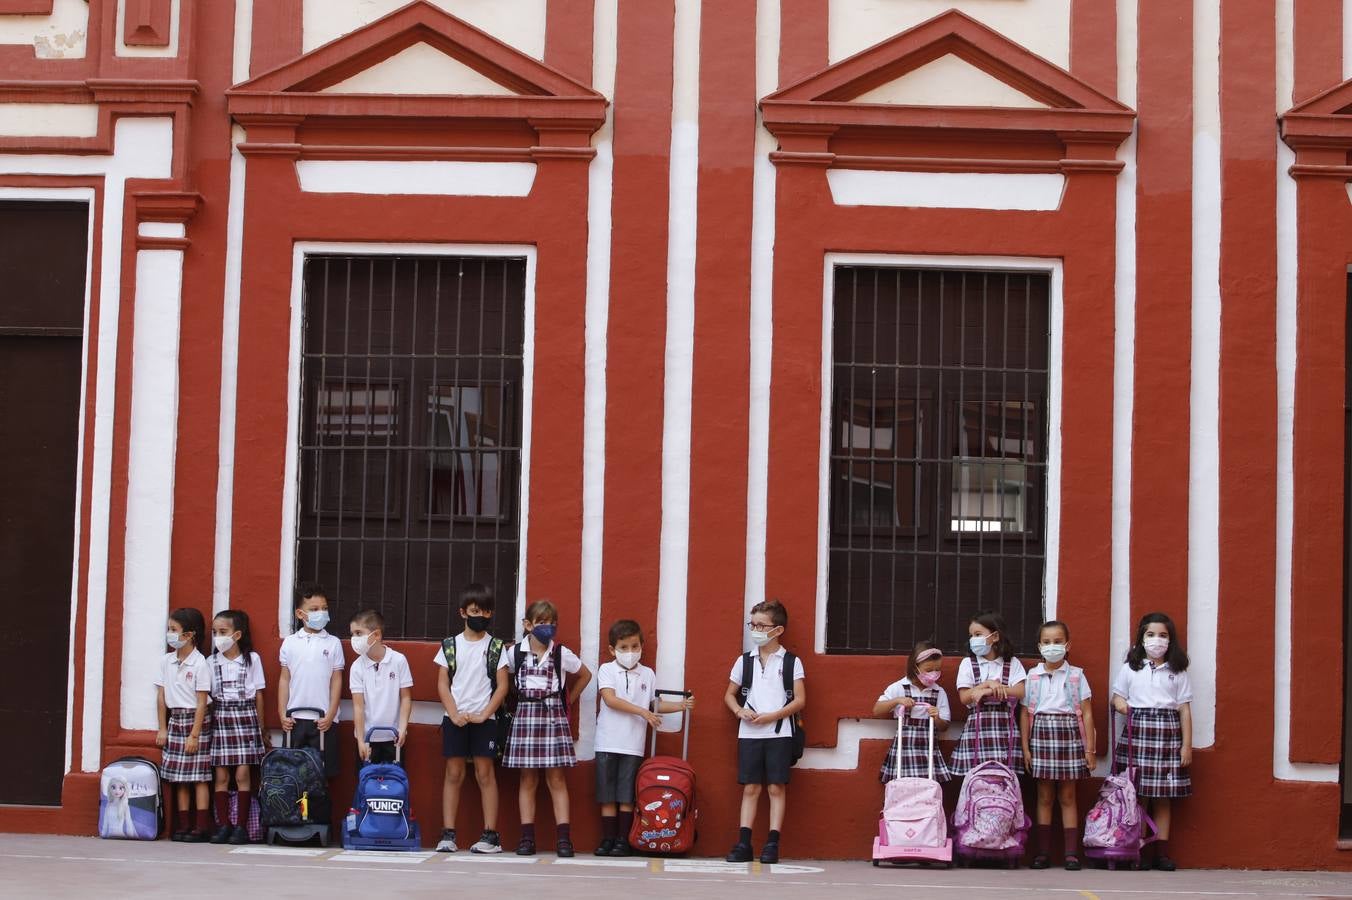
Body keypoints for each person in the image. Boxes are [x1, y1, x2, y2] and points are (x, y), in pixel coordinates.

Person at [593, 619, 695, 856]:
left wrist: (682, 705)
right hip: (607, 741)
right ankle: (607, 839)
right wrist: (643, 712)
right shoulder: (607, 670)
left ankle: (623, 840)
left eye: (635, 646)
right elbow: (610, 699)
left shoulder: (647, 674)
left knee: (627, 795)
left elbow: (653, 704)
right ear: (612, 650)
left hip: (633, 745)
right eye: (624, 648)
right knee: (607, 795)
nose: (630, 652)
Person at [502, 599, 592, 857]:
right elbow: (503, 678)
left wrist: (568, 700)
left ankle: (564, 839)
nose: (547, 627)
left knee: (556, 778)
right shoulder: (515, 653)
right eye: (541, 622)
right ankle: (527, 838)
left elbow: (585, 675)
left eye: (552, 622)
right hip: (526, 716)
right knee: (527, 779)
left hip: (553, 716)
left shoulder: (561, 653)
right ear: (528, 625)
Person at [723, 598, 806, 865]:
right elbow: (729, 695)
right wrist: (739, 711)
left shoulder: (791, 661)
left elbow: (800, 700)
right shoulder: (744, 661)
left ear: (778, 630)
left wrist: (773, 716)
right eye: (753, 624)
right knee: (750, 788)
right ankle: (744, 843)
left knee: (775, 787)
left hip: (780, 734)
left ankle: (772, 844)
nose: (755, 629)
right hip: (749, 734)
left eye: (761, 625)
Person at [1111, 612, 1192, 871]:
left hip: (1167, 735)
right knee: (1137, 795)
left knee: (1163, 797)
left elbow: (1184, 710)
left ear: (1171, 640)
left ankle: (1162, 852)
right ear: (1141, 638)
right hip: (1138, 732)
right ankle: (1138, 849)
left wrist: (1186, 745)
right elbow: (1117, 697)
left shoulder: (1177, 671)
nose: (1157, 640)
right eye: (1151, 635)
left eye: (1163, 635)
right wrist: (1122, 705)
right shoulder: (1130, 668)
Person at [434, 584, 510, 855]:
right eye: (475, 611)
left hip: (484, 721)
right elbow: (443, 683)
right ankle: (448, 834)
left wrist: (484, 714)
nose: (481, 615)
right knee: (453, 774)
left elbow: (502, 686)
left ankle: (491, 835)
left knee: (485, 774)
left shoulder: (496, 647)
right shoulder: (449, 646)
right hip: (454, 719)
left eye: (486, 611)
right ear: (463, 612)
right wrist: (454, 713)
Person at [1021, 620, 1096, 870]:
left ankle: (1071, 853)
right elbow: (1024, 714)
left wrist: (1090, 750)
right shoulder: (1031, 676)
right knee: (1044, 795)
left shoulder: (1076, 675)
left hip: (1069, 735)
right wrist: (1026, 748)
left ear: (1067, 645)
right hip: (1041, 735)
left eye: (1057, 642)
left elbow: (1086, 713)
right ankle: (1042, 852)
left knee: (1067, 795)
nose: (1052, 646)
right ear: (1039, 646)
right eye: (1046, 642)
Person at [154, 607, 213, 842]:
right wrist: (162, 727)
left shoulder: (200, 664)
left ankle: (200, 826)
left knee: (198, 777)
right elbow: (161, 696)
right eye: (169, 629)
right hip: (175, 719)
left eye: (174, 630)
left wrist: (195, 735)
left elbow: (201, 702)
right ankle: (184, 824)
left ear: (189, 635)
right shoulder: (166, 661)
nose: (170, 634)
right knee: (179, 778)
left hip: (195, 721)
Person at [208, 609, 266, 844]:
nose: (217, 636)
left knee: (243, 774)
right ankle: (223, 825)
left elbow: (259, 695)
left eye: (223, 632)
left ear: (238, 634)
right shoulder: (210, 662)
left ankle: (241, 826)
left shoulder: (252, 659)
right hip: (221, 717)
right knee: (221, 776)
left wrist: (261, 727)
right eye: (214, 632)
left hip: (245, 717)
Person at [278, 583, 343, 777]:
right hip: (294, 719)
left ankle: (317, 808)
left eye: (324, 609)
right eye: (314, 610)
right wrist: (282, 713)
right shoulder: (290, 642)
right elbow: (284, 679)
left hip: (323, 720)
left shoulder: (333, 643)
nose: (320, 613)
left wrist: (331, 714)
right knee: (292, 774)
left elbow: (336, 680)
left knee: (322, 775)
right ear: (300, 614)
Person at [951, 611, 1027, 776]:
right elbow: (965, 697)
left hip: (1005, 732)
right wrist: (986, 684)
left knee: (1004, 777)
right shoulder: (968, 664)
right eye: (971, 635)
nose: (973, 639)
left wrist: (991, 690)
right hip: (977, 730)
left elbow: (1020, 691)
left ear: (995, 637)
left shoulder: (1012, 663)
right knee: (976, 778)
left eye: (978, 634)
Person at [873, 642, 951, 784]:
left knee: (927, 785)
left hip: (928, 750)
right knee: (901, 785)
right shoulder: (899, 687)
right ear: (915, 667)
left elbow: (944, 726)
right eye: (928, 670)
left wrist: (937, 718)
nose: (933, 674)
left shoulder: (939, 692)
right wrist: (897, 701)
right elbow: (877, 710)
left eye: (937, 670)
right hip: (904, 750)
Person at [349, 609, 413, 766]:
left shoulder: (398, 660)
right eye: (352, 634)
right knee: (367, 785)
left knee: (393, 785)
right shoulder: (357, 667)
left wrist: (402, 728)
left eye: (358, 633)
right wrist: (361, 740)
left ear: (376, 635)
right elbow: (358, 706)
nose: (354, 639)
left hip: (393, 738)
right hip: (367, 739)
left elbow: (406, 697)